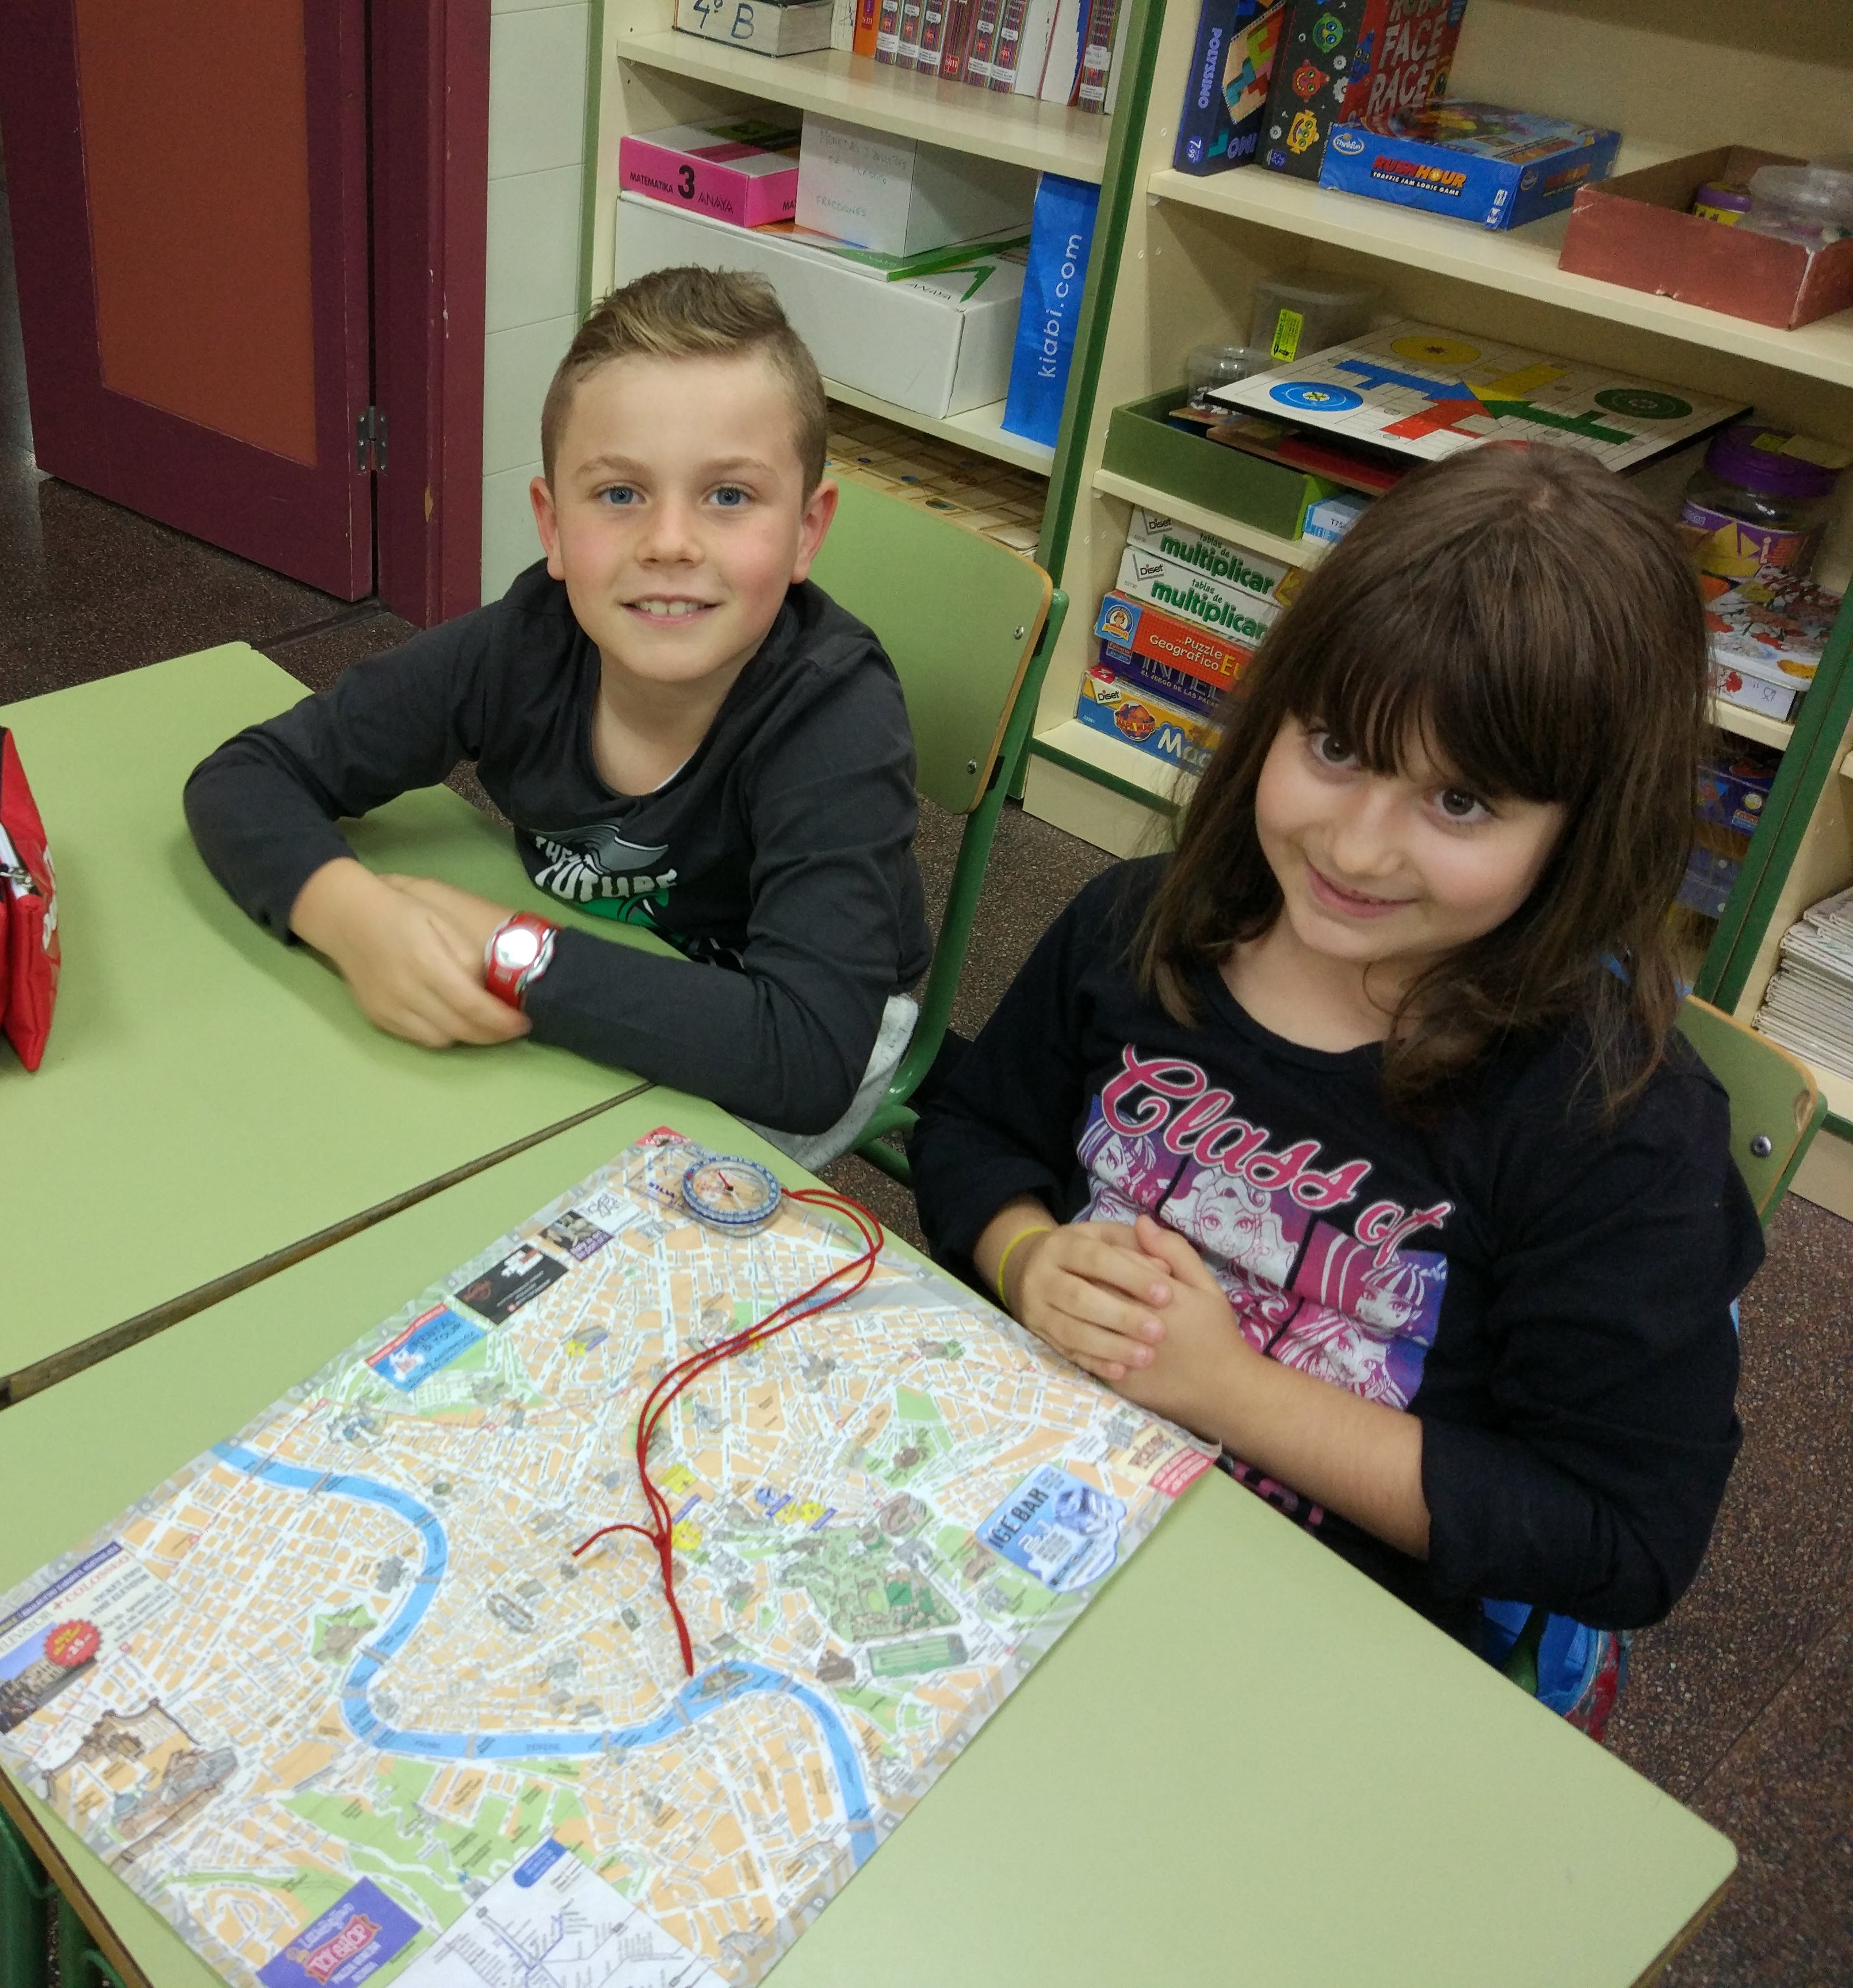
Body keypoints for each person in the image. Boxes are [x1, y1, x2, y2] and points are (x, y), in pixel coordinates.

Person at [911, 443, 1757, 1733]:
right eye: (1338, 746)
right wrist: (1026, 1258)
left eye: (1460, 801)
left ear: (1583, 830)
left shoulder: (1617, 1128)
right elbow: (977, 1128)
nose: (1357, 848)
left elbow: (1620, 1538)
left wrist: (1227, 1391)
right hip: (1030, 1501)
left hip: (1317, 1645)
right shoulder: (1139, 926)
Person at [182, 267, 930, 1167]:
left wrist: (511, 953)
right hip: (575, 978)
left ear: (807, 531)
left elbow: (805, 1058)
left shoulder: (837, 716)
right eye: (620, 495)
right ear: (552, 526)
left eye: (729, 496)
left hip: (792, 1030)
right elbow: (245, 777)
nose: (669, 543)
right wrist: (352, 919)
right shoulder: (524, 645)